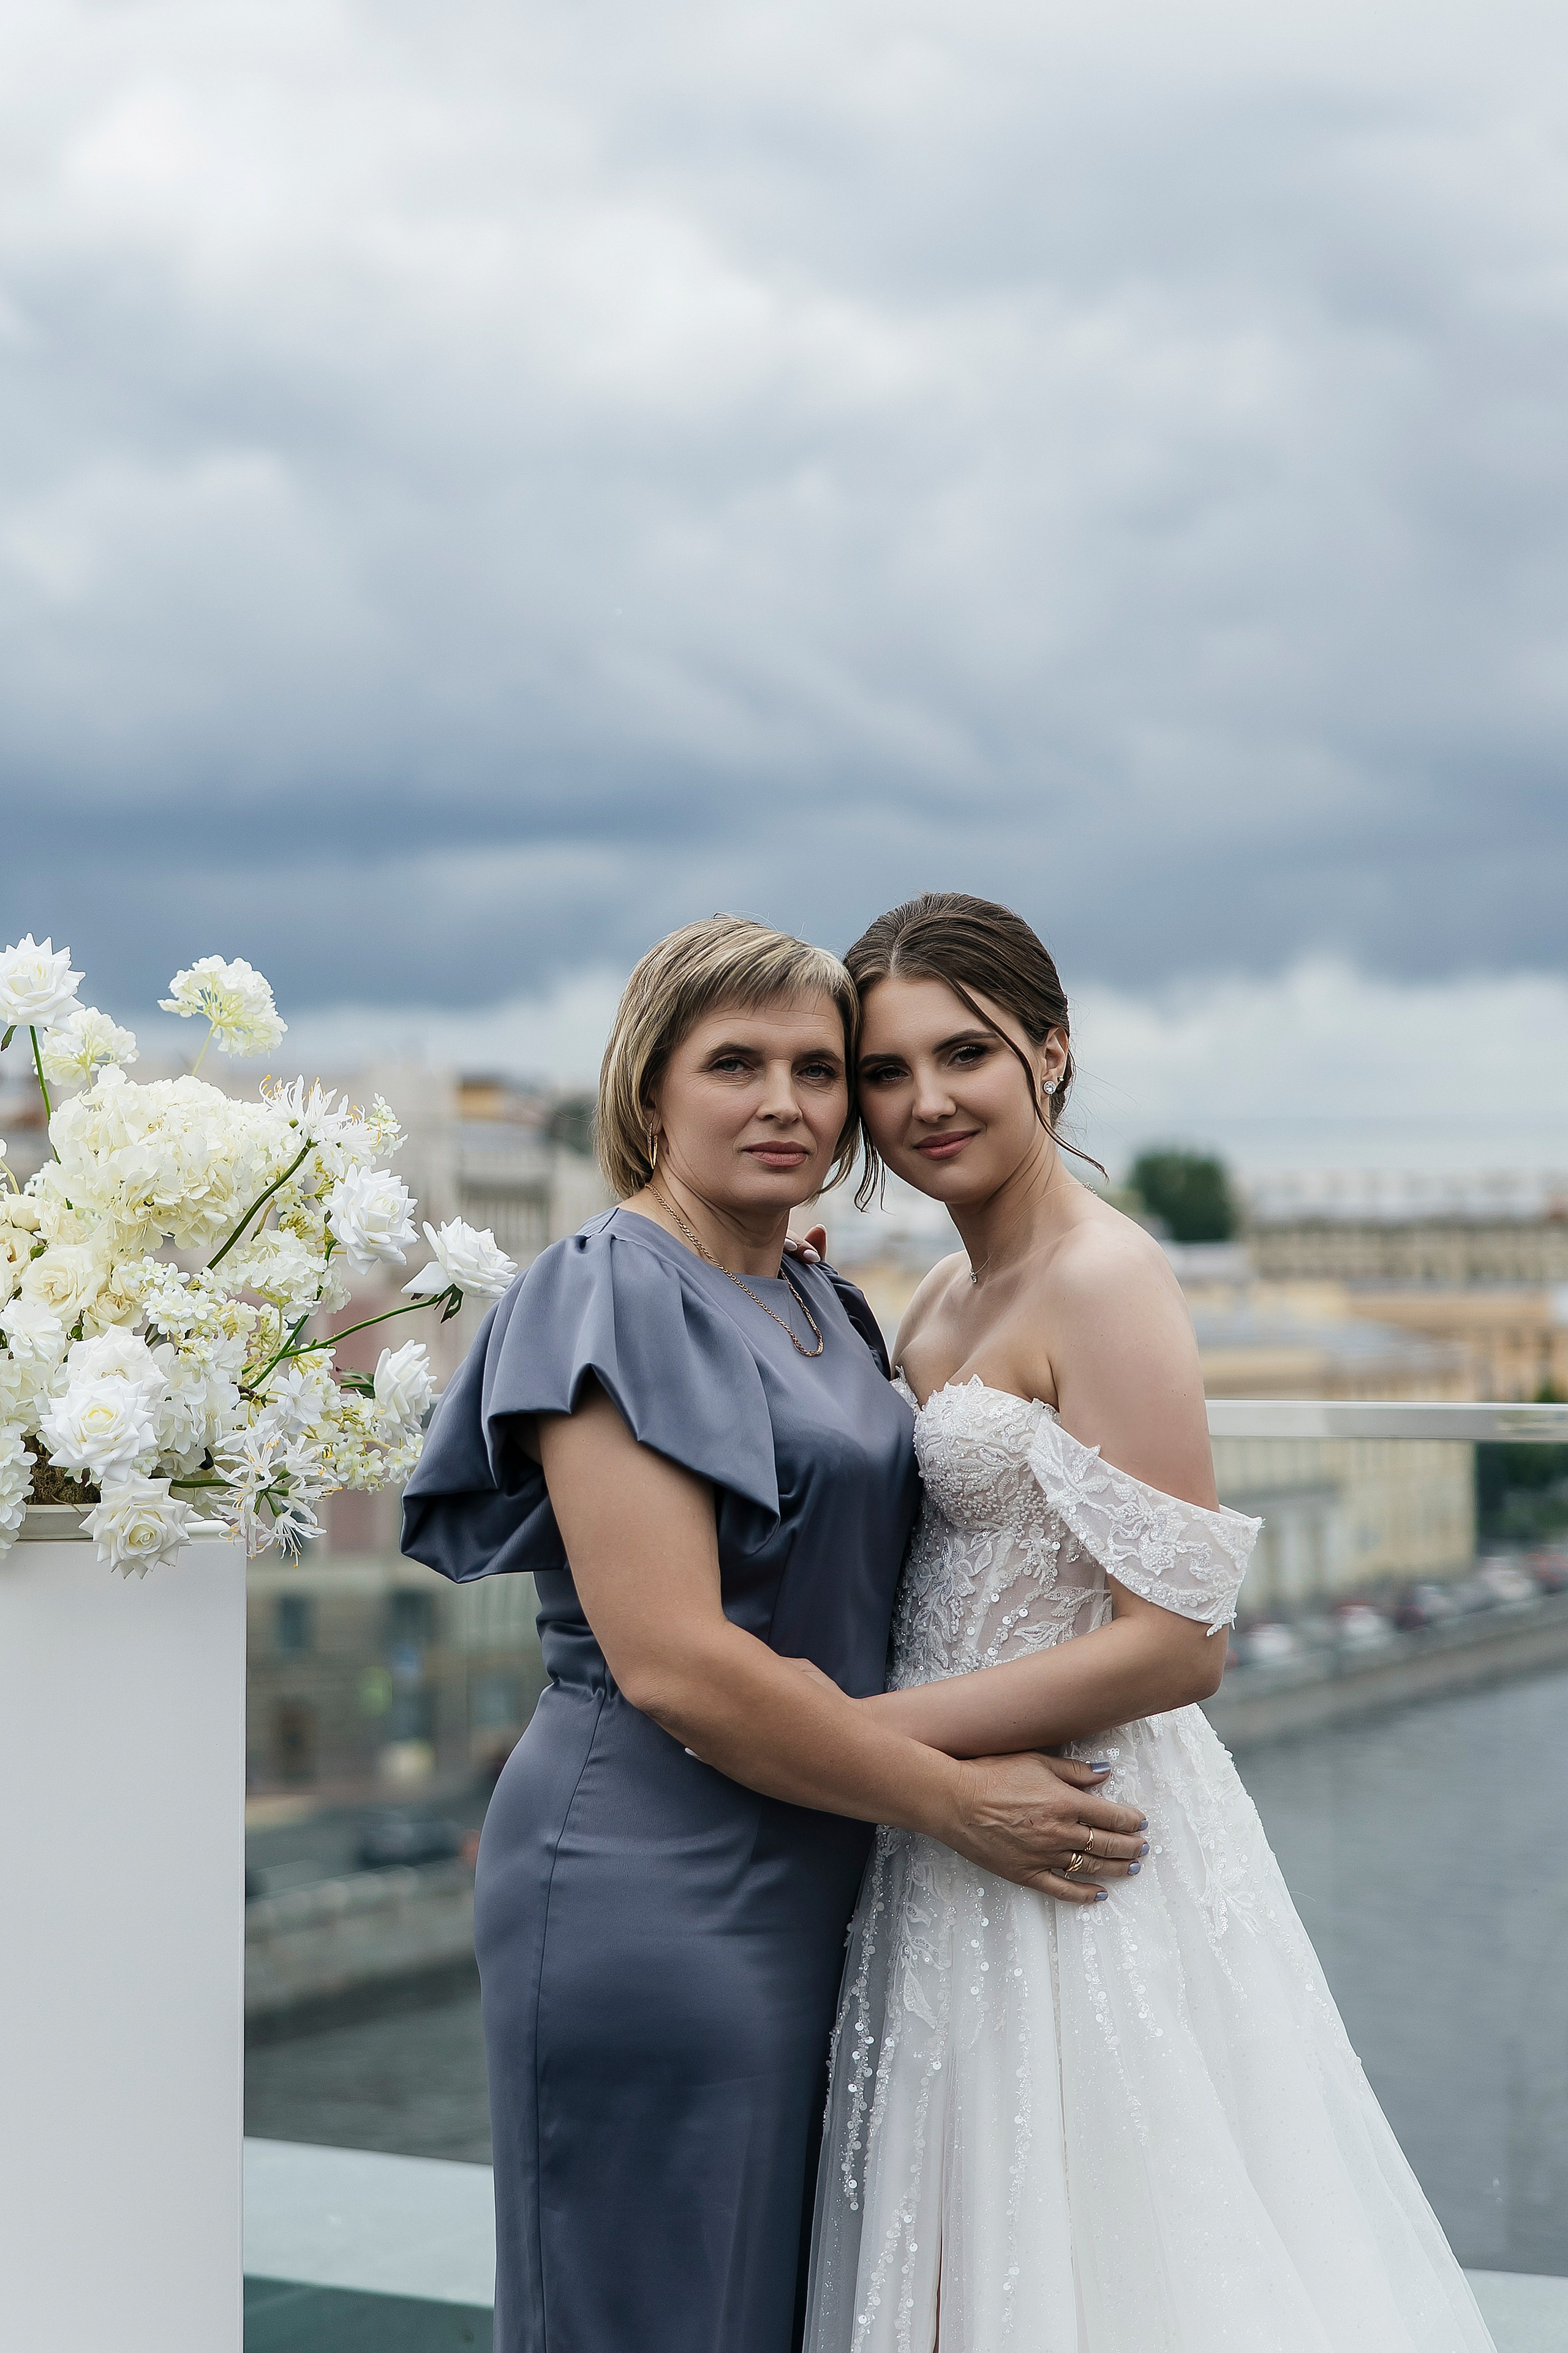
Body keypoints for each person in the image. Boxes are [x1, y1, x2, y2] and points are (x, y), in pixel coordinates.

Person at [401, 914, 1147, 2353]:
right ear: (647, 1092)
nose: (784, 1102)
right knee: (650, 2311)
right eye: (733, 1063)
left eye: (819, 1069)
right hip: (655, 1871)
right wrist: (955, 1802)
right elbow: (674, 1658)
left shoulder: (817, 1296)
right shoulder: (606, 1284)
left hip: (826, 1862)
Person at [802, 893, 1496, 2353]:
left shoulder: (1104, 1274)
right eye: (881, 1069)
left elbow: (1181, 1642)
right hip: (943, 1831)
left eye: (965, 1052)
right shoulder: (932, 1286)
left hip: (1070, 1832)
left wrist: (843, 1743)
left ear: (1050, 1055)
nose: (921, 1100)